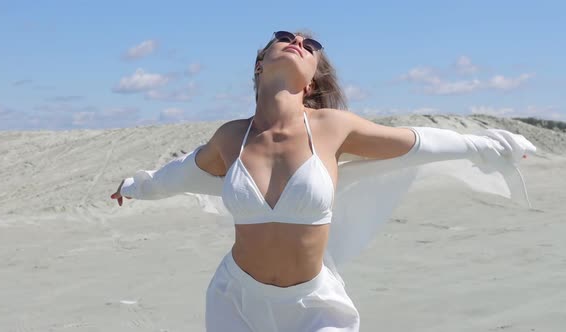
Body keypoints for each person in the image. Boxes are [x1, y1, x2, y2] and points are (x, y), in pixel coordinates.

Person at [110, 31, 536, 332]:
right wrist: (136, 186)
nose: (299, 42)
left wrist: (493, 145)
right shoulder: (231, 136)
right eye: (285, 37)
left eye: (311, 45)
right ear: (260, 64)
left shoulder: (331, 127)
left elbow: (419, 144)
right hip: (235, 301)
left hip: (314, 307)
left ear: (311, 79)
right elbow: (183, 173)